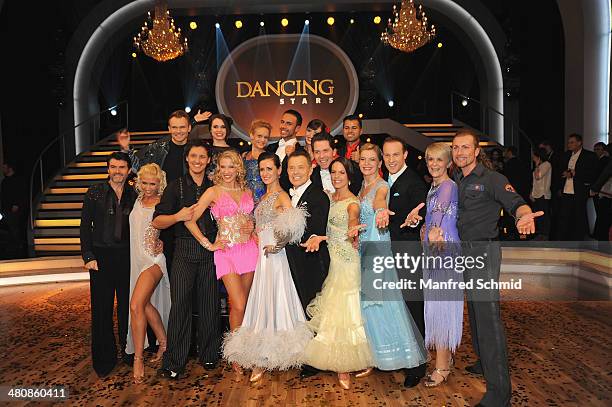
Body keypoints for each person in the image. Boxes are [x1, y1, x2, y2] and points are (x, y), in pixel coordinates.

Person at [448, 130, 541, 407]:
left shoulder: (492, 179)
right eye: (456, 148)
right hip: (463, 252)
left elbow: (516, 203)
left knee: (489, 319)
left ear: (477, 151)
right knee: (475, 313)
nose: (460, 152)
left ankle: (499, 393)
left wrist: (524, 216)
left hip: (483, 252)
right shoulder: (457, 179)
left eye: (465, 147)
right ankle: (483, 361)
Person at [222, 152, 312, 383]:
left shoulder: (281, 196)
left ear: (279, 170)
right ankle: (262, 357)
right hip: (260, 255)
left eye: (269, 169)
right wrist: (250, 231)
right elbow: (261, 226)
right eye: (262, 169)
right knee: (262, 302)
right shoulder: (262, 198)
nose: (265, 173)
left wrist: (277, 245)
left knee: (275, 299)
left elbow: (292, 226)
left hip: (274, 256)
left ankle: (272, 357)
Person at [352, 143, 427, 378]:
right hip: (367, 248)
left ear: (379, 163)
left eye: (371, 160)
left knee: (394, 304)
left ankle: (413, 361)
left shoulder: (384, 186)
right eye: (363, 160)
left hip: (385, 249)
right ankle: (381, 355)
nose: (366, 164)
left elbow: (380, 202)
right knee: (374, 306)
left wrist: (382, 211)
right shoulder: (361, 186)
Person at [300, 157, 373, 390]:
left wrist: (352, 229)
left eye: (341, 172)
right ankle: (335, 358)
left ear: (349, 176)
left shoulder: (353, 202)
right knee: (334, 310)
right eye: (333, 172)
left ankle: (347, 365)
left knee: (345, 309)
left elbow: (352, 219)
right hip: (334, 259)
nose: (337, 176)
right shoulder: (330, 197)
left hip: (348, 262)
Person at [184, 149, 258, 377]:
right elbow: (190, 220)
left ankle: (246, 349)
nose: (226, 171)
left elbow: (251, 218)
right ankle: (236, 354)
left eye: (231, 166)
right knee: (237, 303)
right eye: (223, 166)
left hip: (249, 251)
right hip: (226, 252)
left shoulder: (247, 190)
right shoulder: (213, 191)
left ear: (238, 168)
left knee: (245, 305)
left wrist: (252, 226)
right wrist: (208, 244)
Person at [152, 139, 220, 379]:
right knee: (180, 306)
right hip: (183, 250)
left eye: (202, 157)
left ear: (209, 160)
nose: (198, 161)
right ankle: (174, 362)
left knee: (210, 305)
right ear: (187, 159)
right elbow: (157, 221)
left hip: (211, 251)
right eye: (194, 156)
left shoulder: (216, 187)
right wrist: (178, 216)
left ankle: (210, 355)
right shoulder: (175, 186)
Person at [405, 143, 462, 387]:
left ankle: (442, 366)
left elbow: (438, 218)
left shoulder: (448, 186)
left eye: (439, 160)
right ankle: (444, 358)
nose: (434, 164)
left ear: (449, 163)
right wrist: (421, 225)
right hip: (434, 252)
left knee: (443, 310)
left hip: (444, 252)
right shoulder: (434, 186)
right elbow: (430, 221)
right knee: (438, 308)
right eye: (430, 160)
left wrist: (432, 229)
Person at [80, 151, 137, 377]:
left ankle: (128, 352)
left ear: (128, 170)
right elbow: (85, 226)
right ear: (108, 169)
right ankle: (104, 358)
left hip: (127, 257)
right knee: (102, 310)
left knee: (127, 308)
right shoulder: (94, 192)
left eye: (122, 167)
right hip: (100, 259)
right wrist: (88, 256)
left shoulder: (135, 194)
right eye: (113, 167)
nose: (117, 171)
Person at [380, 135, 428, 388]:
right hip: (384, 255)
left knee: (412, 307)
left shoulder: (414, 182)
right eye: (387, 155)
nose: (391, 160)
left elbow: (422, 210)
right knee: (394, 308)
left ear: (405, 155)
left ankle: (418, 365)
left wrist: (415, 219)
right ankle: (400, 355)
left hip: (406, 253)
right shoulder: (382, 180)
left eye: (395, 155)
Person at [283, 149, 330, 379]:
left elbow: (316, 229)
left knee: (312, 309)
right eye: (291, 168)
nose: (296, 172)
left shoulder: (318, 196)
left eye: (301, 167)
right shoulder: (287, 195)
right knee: (300, 307)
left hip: (311, 261)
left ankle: (315, 361)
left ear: (311, 169)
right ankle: (304, 353)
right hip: (292, 260)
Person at [125, 163, 171, 384]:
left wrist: (163, 242)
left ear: (159, 183)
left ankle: (138, 358)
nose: (149, 187)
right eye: (145, 182)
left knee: (135, 305)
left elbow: (172, 226)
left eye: (153, 183)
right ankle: (164, 343)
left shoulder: (163, 202)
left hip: (153, 260)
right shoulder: (136, 200)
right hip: (136, 259)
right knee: (143, 304)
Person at [557, 133, 598, 241]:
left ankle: (579, 240)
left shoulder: (589, 156)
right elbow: (559, 170)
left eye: (572, 142)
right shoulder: (566, 155)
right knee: (564, 216)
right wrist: (564, 175)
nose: (569, 144)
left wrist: (576, 173)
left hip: (579, 191)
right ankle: (564, 240)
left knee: (579, 216)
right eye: (568, 142)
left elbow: (593, 173)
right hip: (566, 190)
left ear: (579, 143)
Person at [266, 109, 305, 192]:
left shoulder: (301, 152)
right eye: (282, 122)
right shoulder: (270, 148)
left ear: (297, 128)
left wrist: (292, 156)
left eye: (289, 124)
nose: (283, 126)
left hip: (289, 199)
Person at [242, 119, 271, 203]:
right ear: (251, 135)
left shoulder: (269, 158)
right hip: (245, 201)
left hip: (262, 201)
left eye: (265, 137)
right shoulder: (244, 155)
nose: (262, 140)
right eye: (259, 136)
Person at [530, 148, 552, 239]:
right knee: (537, 215)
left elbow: (538, 176)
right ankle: (540, 233)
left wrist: (537, 165)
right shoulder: (539, 166)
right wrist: (531, 192)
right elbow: (534, 181)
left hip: (543, 193)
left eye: (534, 156)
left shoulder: (546, 164)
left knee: (544, 216)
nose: (532, 158)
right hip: (536, 193)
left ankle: (545, 234)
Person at [206, 114, 235, 180]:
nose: (219, 130)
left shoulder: (234, 152)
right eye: (215, 127)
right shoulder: (205, 150)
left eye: (223, 127)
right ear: (210, 129)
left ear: (227, 129)